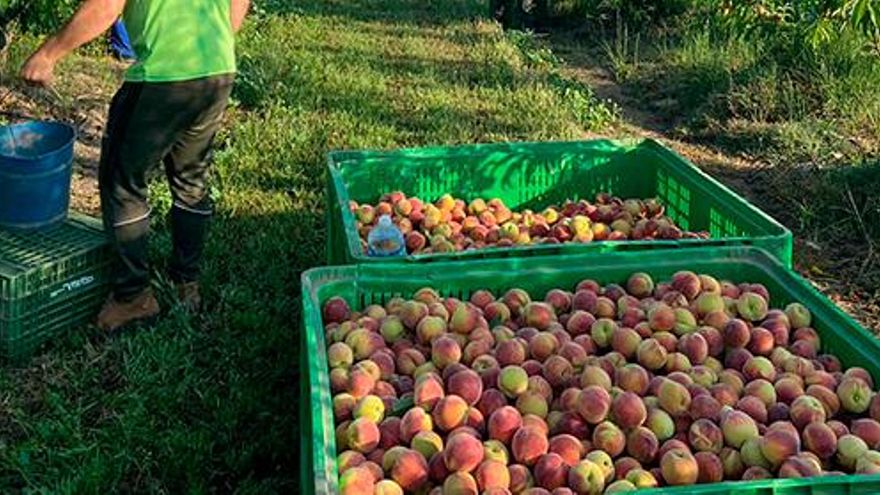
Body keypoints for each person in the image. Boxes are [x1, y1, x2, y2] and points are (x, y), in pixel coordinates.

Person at [20, 0, 251, 331]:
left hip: (163, 77)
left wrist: (47, 54)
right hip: (216, 69)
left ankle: (132, 298)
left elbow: (105, 6)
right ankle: (186, 284)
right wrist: (218, 41)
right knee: (190, 179)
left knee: (122, 181)